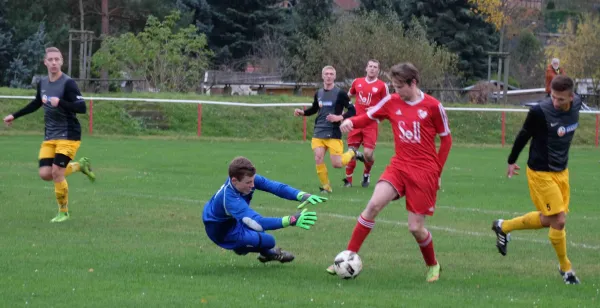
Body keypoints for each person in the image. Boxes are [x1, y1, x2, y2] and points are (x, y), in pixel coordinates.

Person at [327, 63, 452, 282]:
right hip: (399, 166)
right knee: (373, 205)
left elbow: (446, 140)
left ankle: (433, 264)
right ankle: (346, 257)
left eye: (399, 87)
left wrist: (438, 172)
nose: (395, 91)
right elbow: (369, 116)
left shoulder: (433, 106)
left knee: (415, 228)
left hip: (424, 172)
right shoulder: (392, 101)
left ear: (413, 83)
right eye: (393, 86)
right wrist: (350, 121)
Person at [491, 75, 581, 285]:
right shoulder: (540, 111)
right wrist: (512, 160)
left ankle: (503, 227)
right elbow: (524, 134)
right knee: (558, 220)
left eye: (561, 99)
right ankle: (565, 269)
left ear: (572, 97)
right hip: (540, 173)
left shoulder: (577, 105)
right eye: (553, 97)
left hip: (562, 172)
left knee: (548, 219)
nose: (555, 102)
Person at [3, 47, 95, 223]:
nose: (54, 63)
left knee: (56, 172)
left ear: (62, 62)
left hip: (69, 135)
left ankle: (63, 212)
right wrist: (14, 115)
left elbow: (81, 108)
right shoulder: (43, 83)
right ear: (45, 62)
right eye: (50, 59)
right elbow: (36, 103)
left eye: (57, 59)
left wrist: (60, 102)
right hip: (50, 136)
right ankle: (79, 166)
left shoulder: (68, 83)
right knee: (45, 174)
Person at [202, 156, 327, 263]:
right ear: (234, 180)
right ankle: (263, 252)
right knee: (269, 241)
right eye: (248, 182)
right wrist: (291, 219)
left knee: (262, 238)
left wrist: (301, 195)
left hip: (231, 219)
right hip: (222, 231)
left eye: (253, 180)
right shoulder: (230, 200)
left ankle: (252, 248)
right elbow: (258, 223)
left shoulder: (244, 179)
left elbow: (275, 187)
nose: (252, 185)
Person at [293, 65, 362, 193]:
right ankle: (326, 187)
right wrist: (302, 113)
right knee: (318, 157)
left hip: (333, 131)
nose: (329, 76)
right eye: (326, 74)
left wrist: (339, 117)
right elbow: (314, 109)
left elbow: (353, 110)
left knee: (337, 164)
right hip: (319, 130)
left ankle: (353, 152)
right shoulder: (318, 93)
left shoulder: (340, 93)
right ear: (322, 76)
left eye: (331, 74)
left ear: (335, 77)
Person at [343, 59, 389, 188]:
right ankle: (348, 181)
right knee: (351, 152)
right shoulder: (357, 82)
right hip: (356, 122)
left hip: (370, 124)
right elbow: (348, 97)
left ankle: (366, 173)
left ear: (378, 70)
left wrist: (376, 110)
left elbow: (388, 105)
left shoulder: (382, 86)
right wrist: (345, 110)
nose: (372, 69)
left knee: (368, 154)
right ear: (366, 68)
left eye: (375, 67)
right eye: (370, 66)